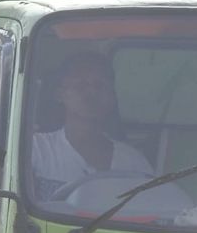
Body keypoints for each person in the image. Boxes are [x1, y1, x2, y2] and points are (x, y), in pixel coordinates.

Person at [32, 50, 154, 199]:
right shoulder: (36, 149)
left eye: (100, 85)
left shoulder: (134, 162)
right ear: (60, 94)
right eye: (80, 85)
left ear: (112, 96)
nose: (91, 92)